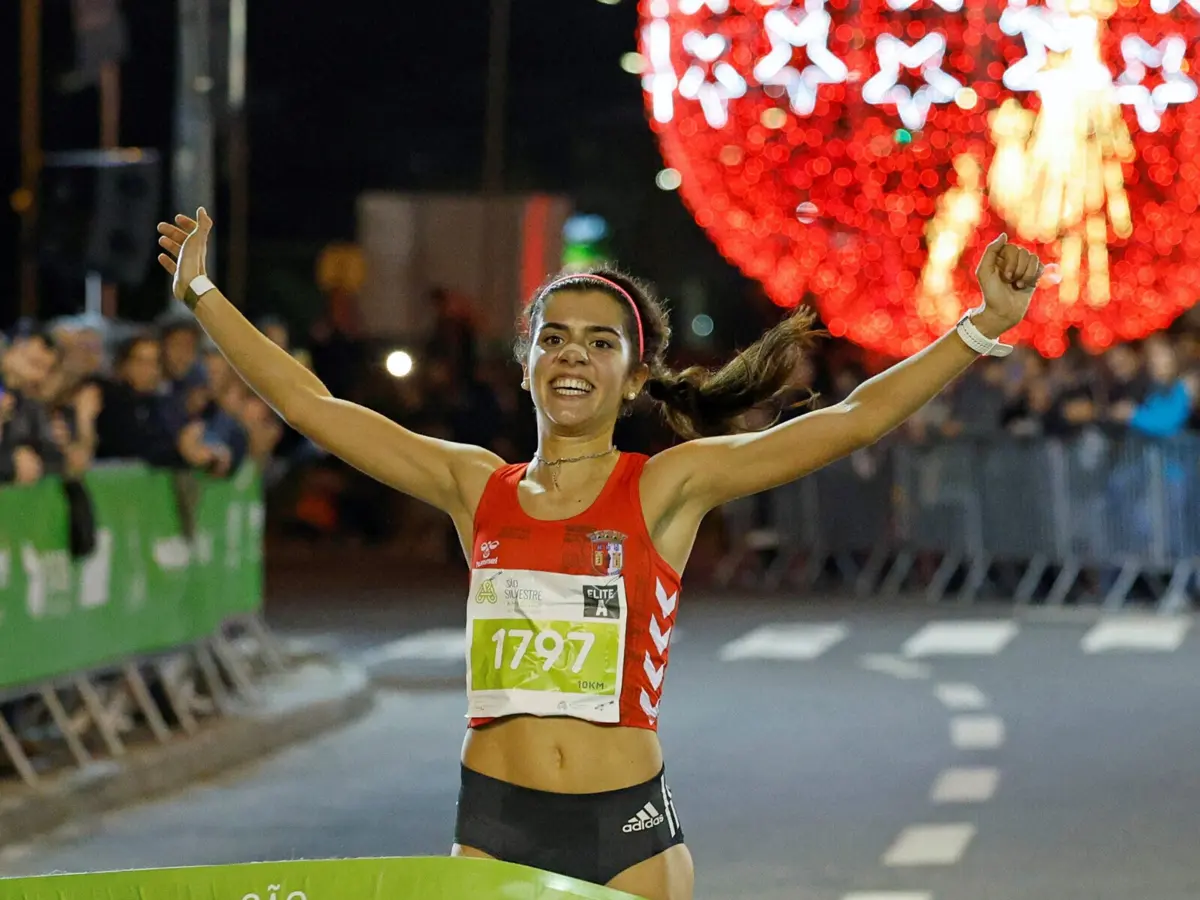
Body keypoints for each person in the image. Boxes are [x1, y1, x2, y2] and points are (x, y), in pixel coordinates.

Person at [155, 208, 1044, 900]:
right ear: (526, 364)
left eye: (600, 342)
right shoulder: (478, 488)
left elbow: (847, 422)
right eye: (554, 338)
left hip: (625, 834)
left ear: (635, 378)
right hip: (494, 820)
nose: (572, 354)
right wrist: (201, 293)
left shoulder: (666, 487)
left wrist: (977, 328)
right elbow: (313, 407)